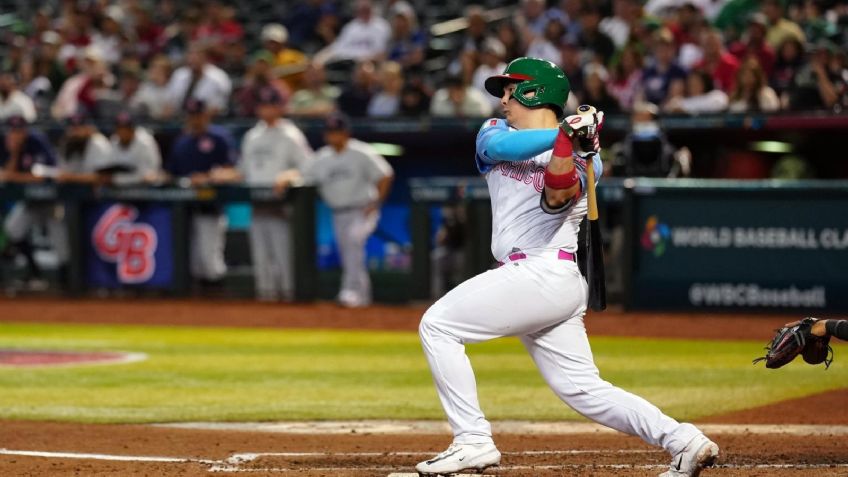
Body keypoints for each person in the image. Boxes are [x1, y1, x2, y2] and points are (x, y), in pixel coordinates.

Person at [414, 57, 718, 477]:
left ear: (534, 92)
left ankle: (472, 440)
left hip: (541, 272)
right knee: (584, 390)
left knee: (438, 325)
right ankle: (683, 440)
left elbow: (556, 197)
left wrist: (575, 146)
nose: (502, 99)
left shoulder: (587, 160)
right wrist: (564, 134)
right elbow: (498, 150)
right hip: (543, 280)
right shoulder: (495, 132)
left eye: (509, 89)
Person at [277, 113, 394, 308]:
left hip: (362, 209)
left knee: (353, 243)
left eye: (337, 132)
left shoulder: (361, 152)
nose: (333, 136)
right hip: (338, 212)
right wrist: (285, 176)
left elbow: (386, 175)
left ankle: (351, 292)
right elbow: (302, 172)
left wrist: (376, 203)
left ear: (346, 133)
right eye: (330, 132)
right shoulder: (323, 156)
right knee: (347, 250)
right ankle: (361, 295)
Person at [239, 87, 313, 301]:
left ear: (280, 107)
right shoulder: (252, 135)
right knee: (260, 255)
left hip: (282, 204)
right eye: (263, 105)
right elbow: (244, 169)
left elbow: (308, 166)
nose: (267, 110)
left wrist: (289, 174)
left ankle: (289, 296)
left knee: (283, 255)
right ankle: (266, 297)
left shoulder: (291, 134)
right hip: (256, 203)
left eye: (271, 105)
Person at [166, 98, 238, 287]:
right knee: (192, 262)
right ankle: (197, 308)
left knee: (209, 260)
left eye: (198, 115)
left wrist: (208, 177)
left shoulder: (219, 138)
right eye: (191, 115)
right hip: (184, 210)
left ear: (206, 115)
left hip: (210, 208)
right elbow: (172, 173)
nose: (195, 119)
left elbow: (233, 170)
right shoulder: (182, 142)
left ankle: (217, 301)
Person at [0, 116, 61, 289]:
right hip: (30, 203)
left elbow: (45, 174)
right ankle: (34, 273)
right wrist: (14, 152)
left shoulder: (37, 141)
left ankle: (68, 281)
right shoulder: (8, 143)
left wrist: (15, 177)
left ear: (26, 130)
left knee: (60, 240)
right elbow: (6, 176)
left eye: (19, 130)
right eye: (13, 130)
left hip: (51, 201)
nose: (16, 134)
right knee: (13, 228)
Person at [108, 111, 163, 186]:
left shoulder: (145, 142)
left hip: (144, 188)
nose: (122, 132)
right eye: (119, 128)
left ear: (132, 129)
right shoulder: (114, 140)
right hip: (119, 186)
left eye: (126, 128)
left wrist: (118, 179)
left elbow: (149, 174)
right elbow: (110, 170)